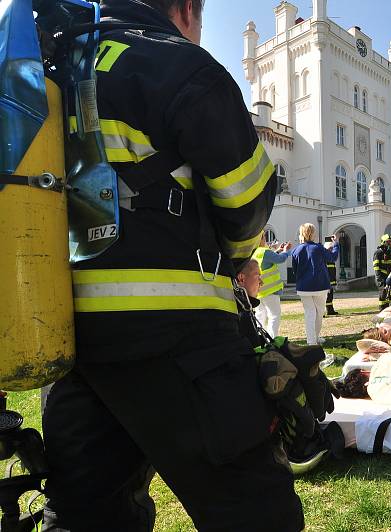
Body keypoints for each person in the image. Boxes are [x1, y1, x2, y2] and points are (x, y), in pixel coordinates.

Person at [41, 1, 304, 530]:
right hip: (177, 337)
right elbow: (248, 193)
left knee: (89, 513)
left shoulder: (52, 64)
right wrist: (236, 261)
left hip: (67, 337)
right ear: (186, 9)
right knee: (254, 509)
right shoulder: (178, 62)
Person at [292, 223, 339, 345]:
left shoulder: (296, 250)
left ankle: (311, 341)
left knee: (309, 313)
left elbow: (294, 270)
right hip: (320, 285)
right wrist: (336, 244)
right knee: (319, 312)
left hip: (304, 286)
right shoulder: (318, 248)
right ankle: (315, 338)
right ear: (313, 234)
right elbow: (333, 257)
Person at [252, 236, 291, 338]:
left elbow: (269, 260)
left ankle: (259, 338)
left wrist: (278, 250)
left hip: (258, 291)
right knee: (274, 315)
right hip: (270, 291)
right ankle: (271, 339)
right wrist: (286, 251)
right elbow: (280, 259)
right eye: (263, 237)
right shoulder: (265, 252)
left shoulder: (254, 252)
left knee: (260, 315)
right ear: (261, 239)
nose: (265, 239)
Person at [373, 234, 391, 309]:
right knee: (383, 294)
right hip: (382, 276)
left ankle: (387, 309)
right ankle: (382, 309)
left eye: (390, 242)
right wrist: (379, 278)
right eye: (388, 242)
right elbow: (376, 267)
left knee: (389, 293)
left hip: (389, 276)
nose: (390, 244)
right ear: (383, 243)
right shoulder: (378, 253)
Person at [324, 241, 339, 316]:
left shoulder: (330, 258)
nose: (331, 250)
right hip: (326, 282)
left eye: (332, 248)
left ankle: (330, 310)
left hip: (331, 281)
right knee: (324, 298)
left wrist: (334, 282)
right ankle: (323, 312)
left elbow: (333, 272)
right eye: (330, 248)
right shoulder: (325, 258)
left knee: (330, 297)